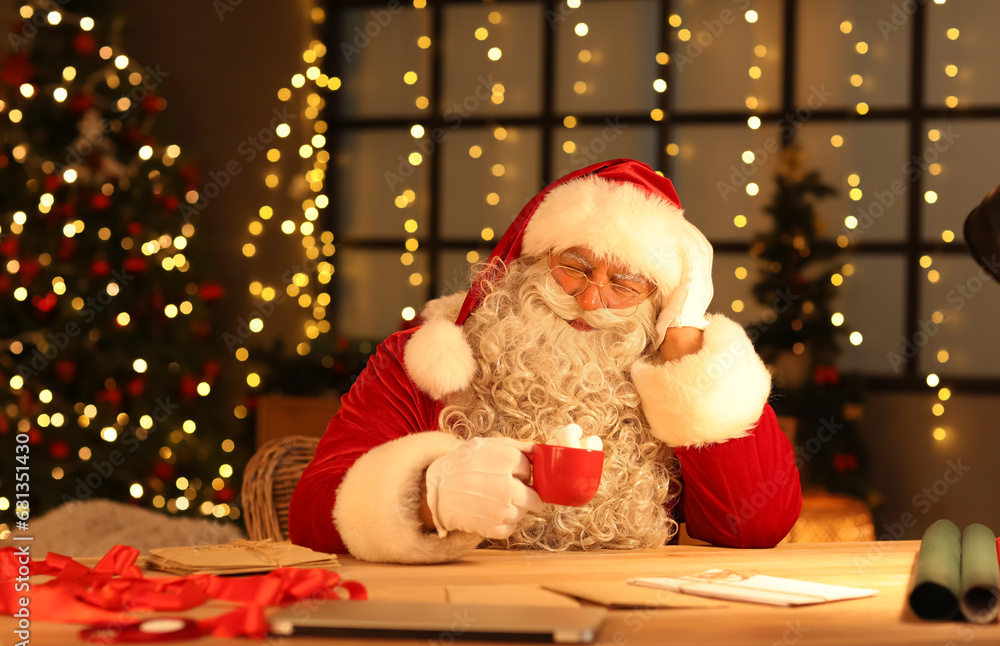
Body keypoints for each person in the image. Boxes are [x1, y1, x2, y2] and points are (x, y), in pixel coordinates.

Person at [288, 159, 802, 563]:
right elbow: (311, 512)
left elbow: (753, 524)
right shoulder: (424, 359)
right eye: (575, 266)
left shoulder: (667, 367)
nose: (591, 299)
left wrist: (686, 346)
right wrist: (426, 498)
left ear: (657, 301)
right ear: (531, 259)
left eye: (625, 283)